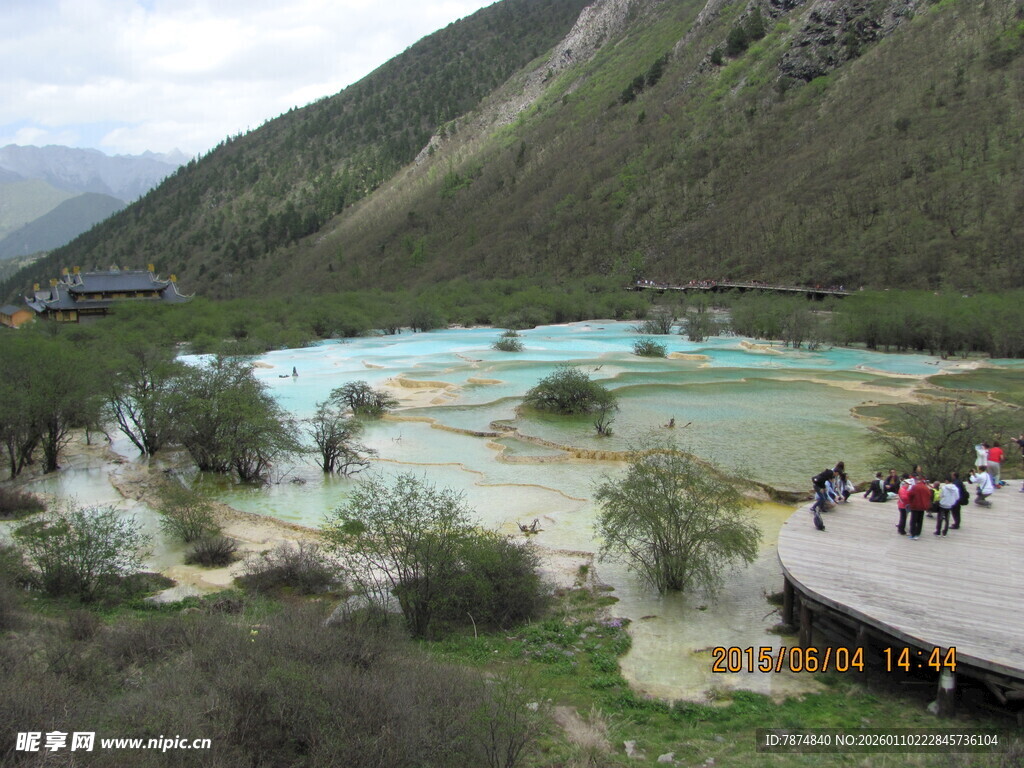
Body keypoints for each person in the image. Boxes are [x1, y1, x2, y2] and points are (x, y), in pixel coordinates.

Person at [906, 473, 933, 540]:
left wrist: (910, 502)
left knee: (913, 520)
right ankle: (918, 533)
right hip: (923, 506)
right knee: (920, 520)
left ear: (917, 480)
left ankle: (913, 534)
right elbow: (930, 495)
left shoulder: (915, 487)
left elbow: (910, 494)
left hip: (915, 506)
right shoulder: (926, 488)